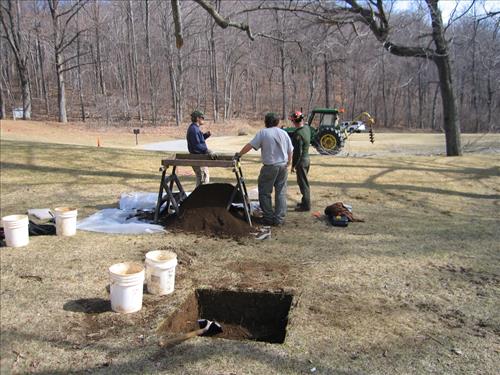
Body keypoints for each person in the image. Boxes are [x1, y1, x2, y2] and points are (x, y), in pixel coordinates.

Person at [236, 112, 293, 226]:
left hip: (270, 167)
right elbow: (290, 150)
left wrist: (239, 154)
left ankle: (268, 218)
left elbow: (251, 145)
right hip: (283, 166)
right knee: (281, 193)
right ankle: (279, 220)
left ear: (266, 122)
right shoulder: (283, 133)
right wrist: (289, 163)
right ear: (277, 122)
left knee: (264, 192)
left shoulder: (263, 133)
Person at [186, 110, 214, 186]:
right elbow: (196, 146)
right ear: (198, 118)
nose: (203, 119)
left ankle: (199, 197)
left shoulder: (195, 128)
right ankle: (201, 197)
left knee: (202, 178)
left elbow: (198, 141)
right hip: (197, 158)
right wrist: (207, 150)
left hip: (198, 158)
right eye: (202, 118)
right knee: (203, 179)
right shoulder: (193, 129)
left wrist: (206, 135)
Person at [290, 111, 311, 211]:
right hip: (307, 159)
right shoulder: (307, 128)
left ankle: (306, 206)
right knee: (303, 181)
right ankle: (304, 201)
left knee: (303, 183)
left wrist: (293, 165)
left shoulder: (298, 134)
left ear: (294, 121)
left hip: (301, 161)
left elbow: (297, 152)